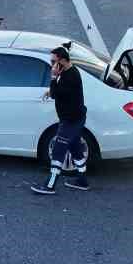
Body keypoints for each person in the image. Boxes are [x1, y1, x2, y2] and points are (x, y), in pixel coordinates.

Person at [31, 45, 88, 195]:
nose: (51, 65)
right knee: (75, 149)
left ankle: (50, 185)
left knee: (58, 151)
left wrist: (53, 78)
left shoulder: (70, 76)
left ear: (61, 61)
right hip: (74, 119)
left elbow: (57, 94)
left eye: (53, 62)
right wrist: (51, 89)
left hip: (70, 121)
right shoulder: (68, 72)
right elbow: (59, 91)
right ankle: (82, 181)